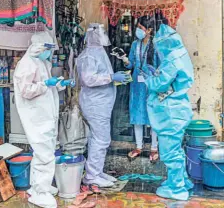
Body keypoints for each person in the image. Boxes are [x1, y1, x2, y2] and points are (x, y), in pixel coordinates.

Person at [14, 31, 72, 208]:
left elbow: (48, 89)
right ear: (39, 46)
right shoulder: (27, 64)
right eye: (48, 48)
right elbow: (26, 90)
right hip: (36, 116)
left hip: (45, 114)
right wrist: (45, 84)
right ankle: (40, 192)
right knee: (45, 154)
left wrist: (60, 84)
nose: (50, 52)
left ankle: (37, 186)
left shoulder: (41, 62)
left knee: (42, 152)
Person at [144, 23, 194, 201]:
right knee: (176, 149)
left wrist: (149, 79)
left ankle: (176, 188)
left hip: (170, 113)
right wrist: (157, 73)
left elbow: (161, 84)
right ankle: (182, 180)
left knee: (169, 152)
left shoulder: (172, 58)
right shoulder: (180, 53)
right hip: (178, 108)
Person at [77, 23, 130, 188]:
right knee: (101, 139)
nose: (105, 34)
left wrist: (113, 78)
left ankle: (97, 172)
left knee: (99, 139)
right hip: (95, 104)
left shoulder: (99, 52)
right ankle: (92, 175)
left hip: (101, 103)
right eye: (103, 32)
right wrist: (112, 77)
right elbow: (88, 79)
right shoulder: (88, 56)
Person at [122, 16, 160, 162]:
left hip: (151, 86)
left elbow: (161, 66)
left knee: (153, 117)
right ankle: (139, 146)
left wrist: (155, 74)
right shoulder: (134, 44)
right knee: (137, 116)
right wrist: (125, 60)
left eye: (141, 28)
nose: (138, 30)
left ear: (149, 30)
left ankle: (154, 148)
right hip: (137, 86)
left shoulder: (155, 45)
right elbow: (130, 65)